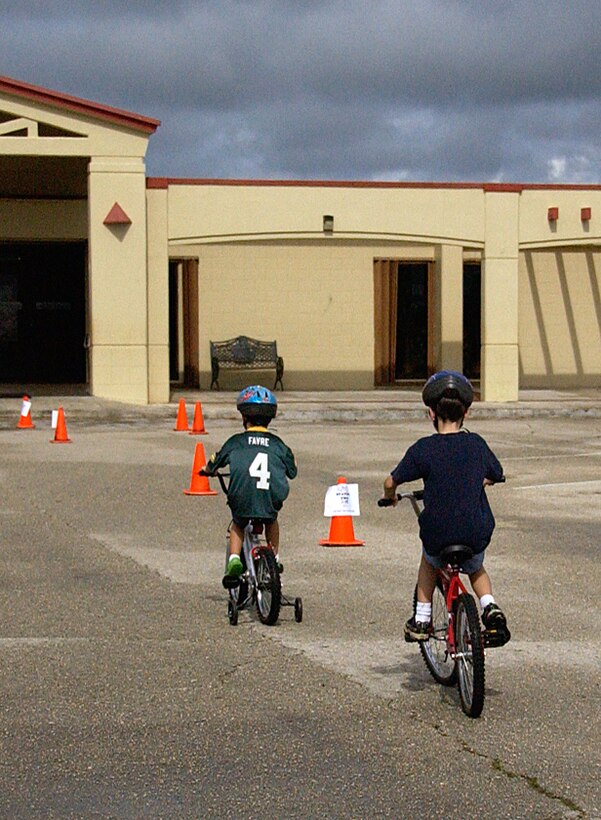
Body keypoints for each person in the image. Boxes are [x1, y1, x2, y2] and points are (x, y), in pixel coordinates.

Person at [382, 370, 510, 643]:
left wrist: (390, 495)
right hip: (474, 532)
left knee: (429, 560)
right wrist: (482, 480)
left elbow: (391, 480)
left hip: (440, 534)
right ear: (467, 412)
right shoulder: (476, 444)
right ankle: (490, 607)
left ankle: (422, 619)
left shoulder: (422, 449)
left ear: (431, 413)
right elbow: (496, 472)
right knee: (475, 566)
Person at [205, 385, 297, 587]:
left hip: (243, 497)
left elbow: (215, 461)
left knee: (238, 523)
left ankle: (234, 560)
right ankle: (274, 557)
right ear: (270, 418)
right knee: (271, 521)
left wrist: (208, 469)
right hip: (269, 498)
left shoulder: (236, 442)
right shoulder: (279, 444)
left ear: (244, 417)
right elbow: (293, 471)